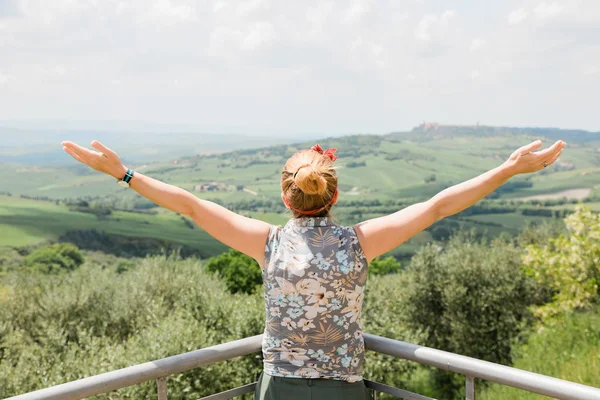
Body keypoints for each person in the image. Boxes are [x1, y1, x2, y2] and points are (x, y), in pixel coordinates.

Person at [60, 138, 565, 399]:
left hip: (278, 389)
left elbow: (190, 206)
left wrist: (124, 173)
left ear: (286, 195)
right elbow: (437, 206)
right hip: (342, 393)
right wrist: (507, 168)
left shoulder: (268, 243)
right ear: (334, 195)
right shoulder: (359, 243)